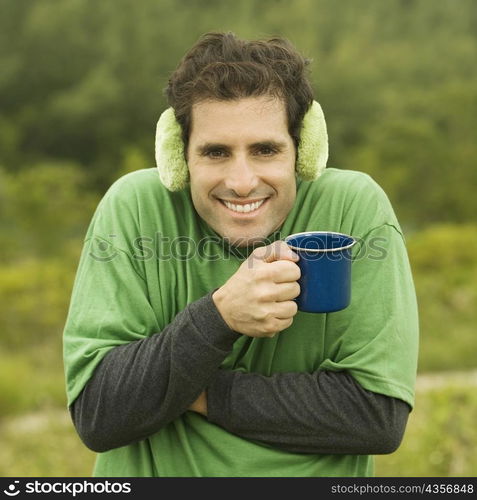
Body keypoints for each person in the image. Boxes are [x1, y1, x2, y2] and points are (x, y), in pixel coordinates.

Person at [63, 31, 419, 477]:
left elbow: (375, 417)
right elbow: (100, 413)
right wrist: (219, 317)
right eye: (215, 152)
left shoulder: (355, 208)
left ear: (304, 151)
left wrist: (191, 393)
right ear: (178, 156)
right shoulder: (132, 208)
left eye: (265, 150)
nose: (243, 181)